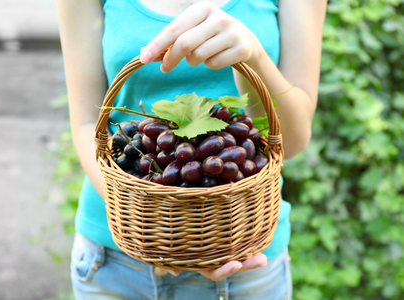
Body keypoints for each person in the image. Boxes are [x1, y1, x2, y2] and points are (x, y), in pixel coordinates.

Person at [56, 0, 327, 299]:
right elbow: (86, 124)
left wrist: (254, 57)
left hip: (242, 249)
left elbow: (292, 140)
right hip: (115, 261)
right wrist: (153, 225)